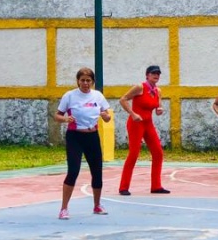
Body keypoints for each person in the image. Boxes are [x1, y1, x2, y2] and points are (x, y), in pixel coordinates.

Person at [55, 67, 113, 219]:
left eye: (88, 81)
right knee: (73, 171)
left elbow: (107, 116)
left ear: (93, 82)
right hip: (75, 136)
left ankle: (97, 205)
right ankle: (64, 208)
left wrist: (105, 116)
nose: (85, 83)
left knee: (97, 172)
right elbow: (57, 115)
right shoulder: (70, 96)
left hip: (92, 136)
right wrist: (65, 119)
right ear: (78, 81)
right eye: (82, 80)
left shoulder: (97, 96)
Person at [119, 65, 170, 196]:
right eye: (153, 73)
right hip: (136, 123)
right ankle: (123, 187)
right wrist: (132, 113)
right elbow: (123, 99)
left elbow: (159, 107)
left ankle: (156, 186)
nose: (156, 75)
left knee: (158, 152)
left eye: (158, 73)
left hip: (148, 123)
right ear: (147, 75)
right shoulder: (140, 87)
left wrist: (160, 110)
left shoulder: (158, 91)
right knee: (134, 153)